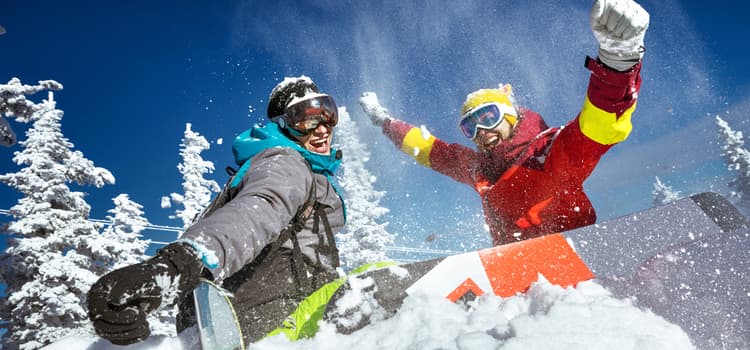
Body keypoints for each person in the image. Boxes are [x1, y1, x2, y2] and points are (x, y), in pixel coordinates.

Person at [359, 0, 649, 246]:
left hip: (578, 259)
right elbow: (428, 150)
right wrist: (383, 120)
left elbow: (598, 128)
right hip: (519, 278)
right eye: (469, 127)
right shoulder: (478, 170)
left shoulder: (548, 150)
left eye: (488, 117)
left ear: (510, 116)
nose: (482, 132)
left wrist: (617, 63)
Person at [87, 76, 346, 345]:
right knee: (385, 283)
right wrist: (182, 263)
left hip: (249, 316)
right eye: (307, 118)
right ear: (282, 124)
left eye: (328, 115)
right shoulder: (286, 162)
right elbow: (258, 210)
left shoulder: (293, 171)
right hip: (274, 314)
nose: (322, 129)